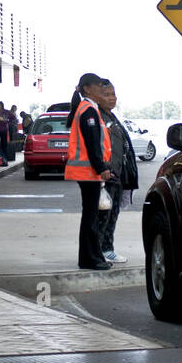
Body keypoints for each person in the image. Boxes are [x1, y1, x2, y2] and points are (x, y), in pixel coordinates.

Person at [64, 73, 115, 271]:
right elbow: (92, 144)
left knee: (90, 216)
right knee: (91, 217)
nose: (102, 89)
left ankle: (90, 257)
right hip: (88, 172)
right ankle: (91, 259)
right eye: (98, 85)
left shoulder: (88, 109)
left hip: (87, 171)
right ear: (87, 88)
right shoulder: (88, 111)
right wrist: (101, 168)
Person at [96, 81, 136, 264]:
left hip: (117, 173)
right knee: (104, 215)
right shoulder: (98, 117)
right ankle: (101, 250)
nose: (112, 98)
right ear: (97, 95)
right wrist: (106, 169)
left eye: (114, 94)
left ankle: (107, 248)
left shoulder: (110, 116)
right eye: (107, 94)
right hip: (107, 174)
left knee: (112, 214)